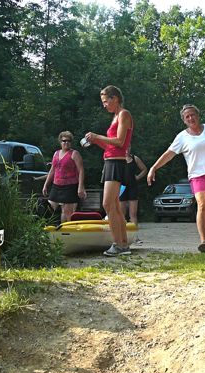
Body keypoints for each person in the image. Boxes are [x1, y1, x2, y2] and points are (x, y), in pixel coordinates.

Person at [147, 104, 205, 253]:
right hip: (197, 175)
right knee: (202, 204)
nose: (191, 118)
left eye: (193, 115)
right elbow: (168, 154)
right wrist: (153, 168)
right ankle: (203, 241)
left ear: (198, 115)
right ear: (184, 120)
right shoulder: (182, 137)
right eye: (187, 116)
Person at [85, 85, 134, 256]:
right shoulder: (115, 117)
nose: (104, 105)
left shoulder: (124, 114)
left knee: (107, 203)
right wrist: (96, 141)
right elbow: (110, 145)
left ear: (115, 99)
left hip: (116, 163)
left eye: (106, 101)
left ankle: (118, 244)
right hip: (111, 161)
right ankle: (123, 245)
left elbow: (120, 142)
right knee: (115, 206)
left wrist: (98, 136)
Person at [42, 131, 86, 223]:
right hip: (56, 186)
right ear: (60, 142)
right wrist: (46, 185)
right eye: (64, 141)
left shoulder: (74, 154)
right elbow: (52, 170)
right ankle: (50, 229)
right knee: (48, 208)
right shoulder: (56, 153)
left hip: (70, 186)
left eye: (69, 141)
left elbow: (81, 170)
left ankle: (68, 233)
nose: (66, 142)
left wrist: (80, 187)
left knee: (67, 213)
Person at [120, 148, 147, 228]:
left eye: (129, 147)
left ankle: (134, 236)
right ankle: (122, 235)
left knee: (133, 214)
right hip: (121, 187)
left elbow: (144, 169)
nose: (127, 149)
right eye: (125, 147)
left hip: (132, 187)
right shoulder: (119, 158)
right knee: (121, 213)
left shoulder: (135, 158)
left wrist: (138, 177)